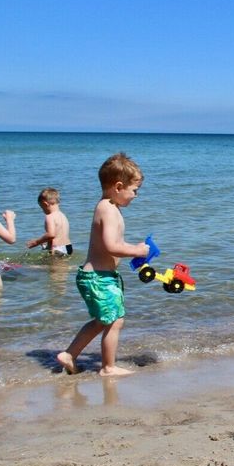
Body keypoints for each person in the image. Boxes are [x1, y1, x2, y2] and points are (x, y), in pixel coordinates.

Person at [56, 153, 149, 377]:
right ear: (119, 186)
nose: (135, 196)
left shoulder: (108, 207)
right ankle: (108, 367)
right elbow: (110, 246)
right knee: (115, 321)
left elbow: (114, 243)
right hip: (99, 278)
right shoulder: (107, 209)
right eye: (134, 190)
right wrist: (136, 250)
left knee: (102, 321)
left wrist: (134, 248)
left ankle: (69, 355)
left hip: (100, 276)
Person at [26, 187, 73, 256]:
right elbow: (58, 235)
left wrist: (36, 242)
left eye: (42, 207)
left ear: (45, 204)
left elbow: (51, 234)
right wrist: (47, 245)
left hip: (57, 248)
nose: (43, 210)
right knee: (62, 266)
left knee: (53, 266)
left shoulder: (50, 216)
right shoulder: (62, 215)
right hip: (68, 247)